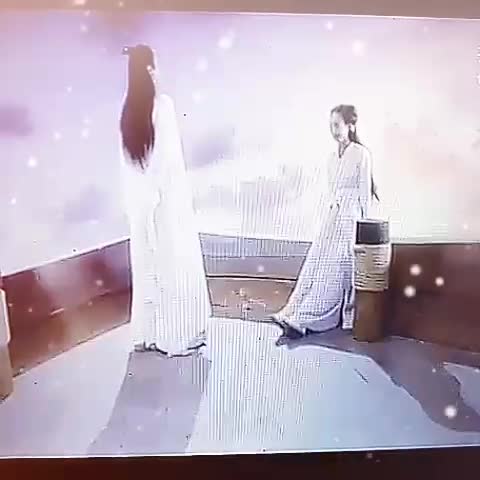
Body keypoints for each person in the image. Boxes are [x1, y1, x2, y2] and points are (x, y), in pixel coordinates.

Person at [119, 44, 212, 356]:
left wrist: (143, 202)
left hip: (143, 205)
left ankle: (151, 333)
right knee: (176, 265)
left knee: (150, 268)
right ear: (150, 69)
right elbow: (169, 160)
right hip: (167, 202)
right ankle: (177, 333)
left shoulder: (127, 113)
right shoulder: (164, 105)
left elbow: (131, 166)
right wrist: (161, 196)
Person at [272, 104, 379, 344]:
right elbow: (332, 191)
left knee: (337, 268)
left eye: (337, 125)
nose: (334, 130)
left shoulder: (361, 154)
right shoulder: (331, 158)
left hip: (351, 216)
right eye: (331, 125)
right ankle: (292, 312)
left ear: (351, 126)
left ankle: (308, 319)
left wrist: (363, 228)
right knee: (317, 263)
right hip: (333, 216)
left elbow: (364, 193)